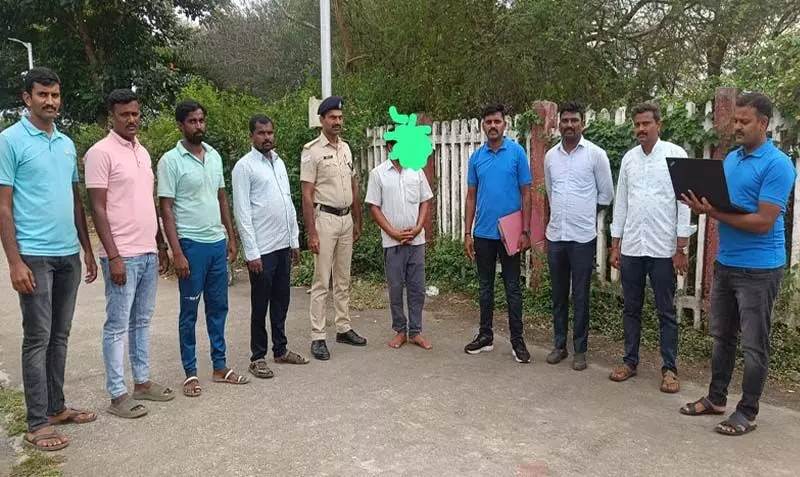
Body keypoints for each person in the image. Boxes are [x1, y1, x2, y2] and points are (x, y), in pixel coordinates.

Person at [679, 92, 796, 436]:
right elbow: (723, 202)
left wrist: (713, 213)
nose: (738, 126)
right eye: (735, 120)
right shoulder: (731, 159)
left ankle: (747, 411)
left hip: (759, 269)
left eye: (745, 121)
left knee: (754, 343)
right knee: (722, 337)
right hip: (726, 262)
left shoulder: (778, 164)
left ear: (763, 123)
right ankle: (716, 398)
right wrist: (702, 203)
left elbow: (763, 222)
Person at [0, 67, 98, 451]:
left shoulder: (66, 144)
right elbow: (3, 207)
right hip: (34, 255)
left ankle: (56, 408)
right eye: (43, 94)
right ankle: (37, 423)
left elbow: (75, 200)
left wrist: (86, 248)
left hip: (67, 254)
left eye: (55, 95)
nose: (51, 101)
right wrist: (14, 262)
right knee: (38, 337)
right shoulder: (9, 141)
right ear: (27, 98)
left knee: (60, 334)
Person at [84, 89, 174, 418]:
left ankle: (142, 382)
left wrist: (160, 244)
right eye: (124, 114)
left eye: (135, 113)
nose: (131, 119)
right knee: (117, 325)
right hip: (121, 254)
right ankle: (117, 394)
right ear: (112, 116)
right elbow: (97, 207)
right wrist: (113, 255)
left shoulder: (143, 152)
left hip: (147, 250)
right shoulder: (100, 153)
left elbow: (148, 201)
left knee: (142, 321)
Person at [157, 100, 248, 397]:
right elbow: (166, 208)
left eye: (201, 120)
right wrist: (176, 252)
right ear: (180, 125)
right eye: (192, 121)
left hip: (216, 243)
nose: (198, 126)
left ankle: (220, 366)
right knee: (189, 311)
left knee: (218, 308)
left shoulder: (214, 156)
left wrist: (231, 237)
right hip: (190, 245)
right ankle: (190, 372)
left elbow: (222, 198)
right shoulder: (171, 161)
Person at [608, 102, 692, 393]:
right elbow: (621, 203)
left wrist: (681, 247)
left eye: (646, 123)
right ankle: (630, 361)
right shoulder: (629, 159)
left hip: (663, 248)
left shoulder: (675, 155)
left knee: (666, 311)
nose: (641, 129)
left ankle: (669, 369)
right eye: (637, 125)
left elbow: (685, 203)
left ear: (659, 124)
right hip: (633, 245)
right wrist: (615, 245)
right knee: (631, 308)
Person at [232, 115, 309, 379]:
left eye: (270, 132)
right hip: (262, 249)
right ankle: (257, 357)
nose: (267, 137)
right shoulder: (244, 167)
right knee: (260, 304)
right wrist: (251, 253)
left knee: (281, 300)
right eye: (261, 133)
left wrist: (294, 240)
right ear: (251, 136)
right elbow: (242, 212)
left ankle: (281, 349)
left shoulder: (279, 162)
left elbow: (287, 203)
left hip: (282, 244)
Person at [544, 102, 614, 371]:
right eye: (565, 121)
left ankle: (580, 350)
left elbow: (606, 195)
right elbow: (551, 192)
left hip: (583, 237)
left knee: (581, 295)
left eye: (574, 120)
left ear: (582, 124)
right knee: (558, 294)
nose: (569, 125)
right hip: (556, 236)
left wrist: (583, 213)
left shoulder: (596, 155)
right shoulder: (550, 157)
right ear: (558, 124)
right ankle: (559, 345)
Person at [463, 103, 532, 363]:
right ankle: (485, 336)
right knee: (485, 288)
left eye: (497, 121)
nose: (493, 126)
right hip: (483, 234)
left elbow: (527, 193)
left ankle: (517, 341)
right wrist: (467, 233)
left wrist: (526, 230)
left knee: (512, 288)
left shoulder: (516, 153)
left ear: (505, 124)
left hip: (510, 234)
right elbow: (471, 197)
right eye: (488, 122)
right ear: (483, 126)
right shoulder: (476, 158)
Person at [300, 96, 366, 361]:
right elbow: (307, 194)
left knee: (343, 278)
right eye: (332, 118)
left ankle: (343, 327)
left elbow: (353, 185)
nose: (337, 122)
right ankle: (318, 336)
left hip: (345, 219)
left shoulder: (346, 148)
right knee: (321, 281)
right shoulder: (312, 151)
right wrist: (311, 232)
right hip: (324, 220)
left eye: (340, 117)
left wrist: (358, 219)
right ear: (322, 120)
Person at [365, 132, 434, 349]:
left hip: (416, 240)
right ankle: (400, 330)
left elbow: (425, 201)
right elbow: (374, 207)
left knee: (417, 288)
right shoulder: (378, 174)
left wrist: (419, 227)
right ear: (389, 147)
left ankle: (416, 331)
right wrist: (392, 232)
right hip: (392, 242)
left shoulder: (416, 170)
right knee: (395, 287)